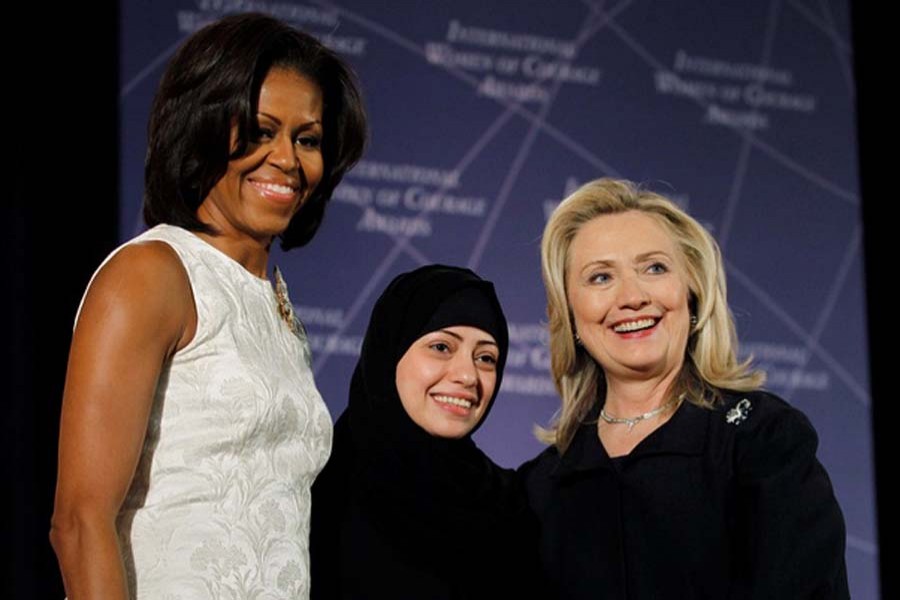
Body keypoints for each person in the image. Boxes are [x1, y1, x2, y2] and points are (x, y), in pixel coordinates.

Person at [50, 13, 367, 599]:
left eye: (308, 138)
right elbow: (79, 520)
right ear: (201, 125)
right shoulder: (151, 274)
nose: (287, 160)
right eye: (260, 129)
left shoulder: (277, 306)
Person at [521, 178, 848, 599]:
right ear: (569, 314)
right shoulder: (542, 488)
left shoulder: (763, 441)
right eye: (601, 277)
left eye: (654, 268)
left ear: (691, 292)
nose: (632, 296)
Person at [310, 264, 542, 599]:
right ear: (390, 352)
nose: (467, 375)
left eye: (486, 358)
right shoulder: (317, 495)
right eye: (442, 347)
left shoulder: (511, 506)